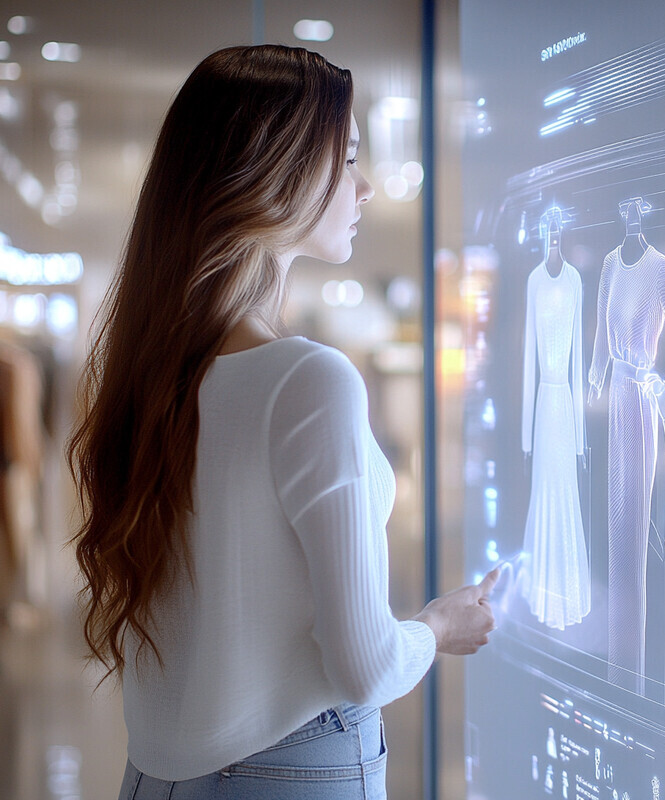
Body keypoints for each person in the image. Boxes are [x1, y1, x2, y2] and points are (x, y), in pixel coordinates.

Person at [66, 44, 498, 799]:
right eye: (347, 159)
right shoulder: (309, 380)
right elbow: (362, 664)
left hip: (154, 775)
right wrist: (437, 627)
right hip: (294, 769)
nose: (364, 188)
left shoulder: (155, 372)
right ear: (273, 171)